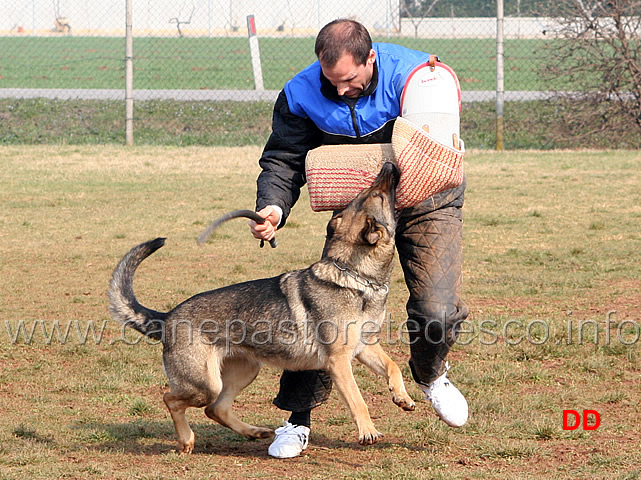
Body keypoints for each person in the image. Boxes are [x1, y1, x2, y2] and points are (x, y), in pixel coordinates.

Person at [249, 18, 469, 459]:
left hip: (428, 202)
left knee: (437, 310)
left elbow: (438, 144)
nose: (342, 90)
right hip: (357, 214)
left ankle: (430, 374)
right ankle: (296, 421)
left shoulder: (415, 77)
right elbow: (283, 158)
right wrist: (273, 205)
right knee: (321, 312)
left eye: (350, 80)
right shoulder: (301, 92)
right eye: (332, 81)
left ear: (371, 58)